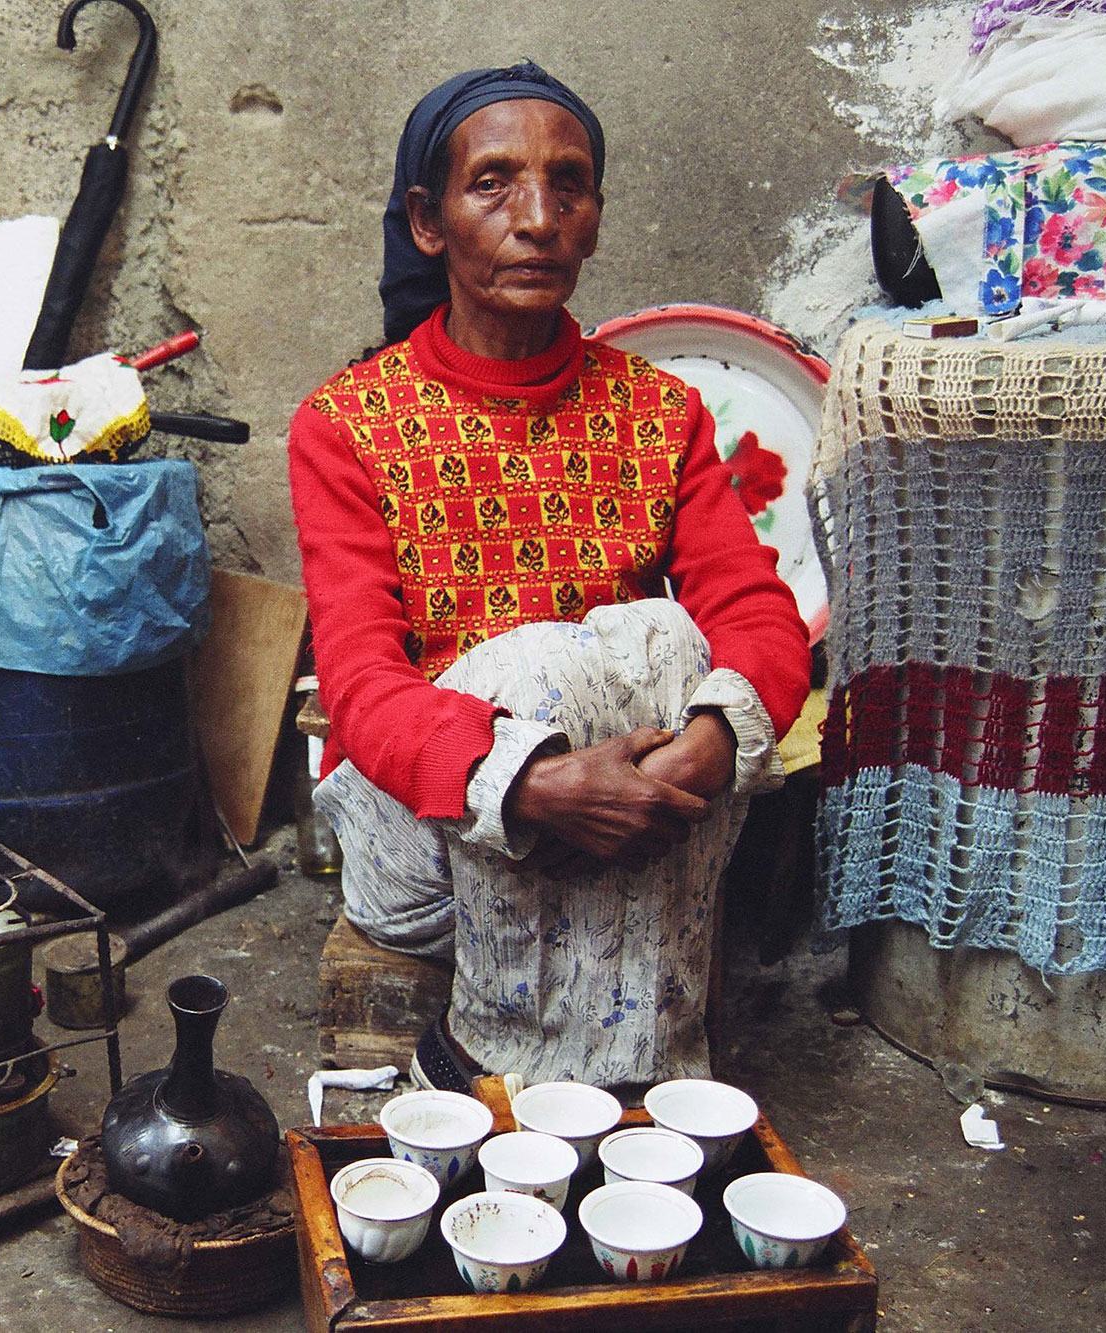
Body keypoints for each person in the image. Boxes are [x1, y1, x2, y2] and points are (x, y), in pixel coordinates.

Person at [288, 64, 810, 1095]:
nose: (535, 218)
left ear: (593, 220)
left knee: (673, 648)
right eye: (492, 184)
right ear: (426, 222)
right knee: (537, 666)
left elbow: (753, 610)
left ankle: (613, 1088)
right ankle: (502, 1050)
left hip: (628, 819)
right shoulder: (347, 423)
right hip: (431, 850)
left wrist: (701, 749)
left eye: (564, 185)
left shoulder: (659, 413)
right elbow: (358, 683)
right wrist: (530, 782)